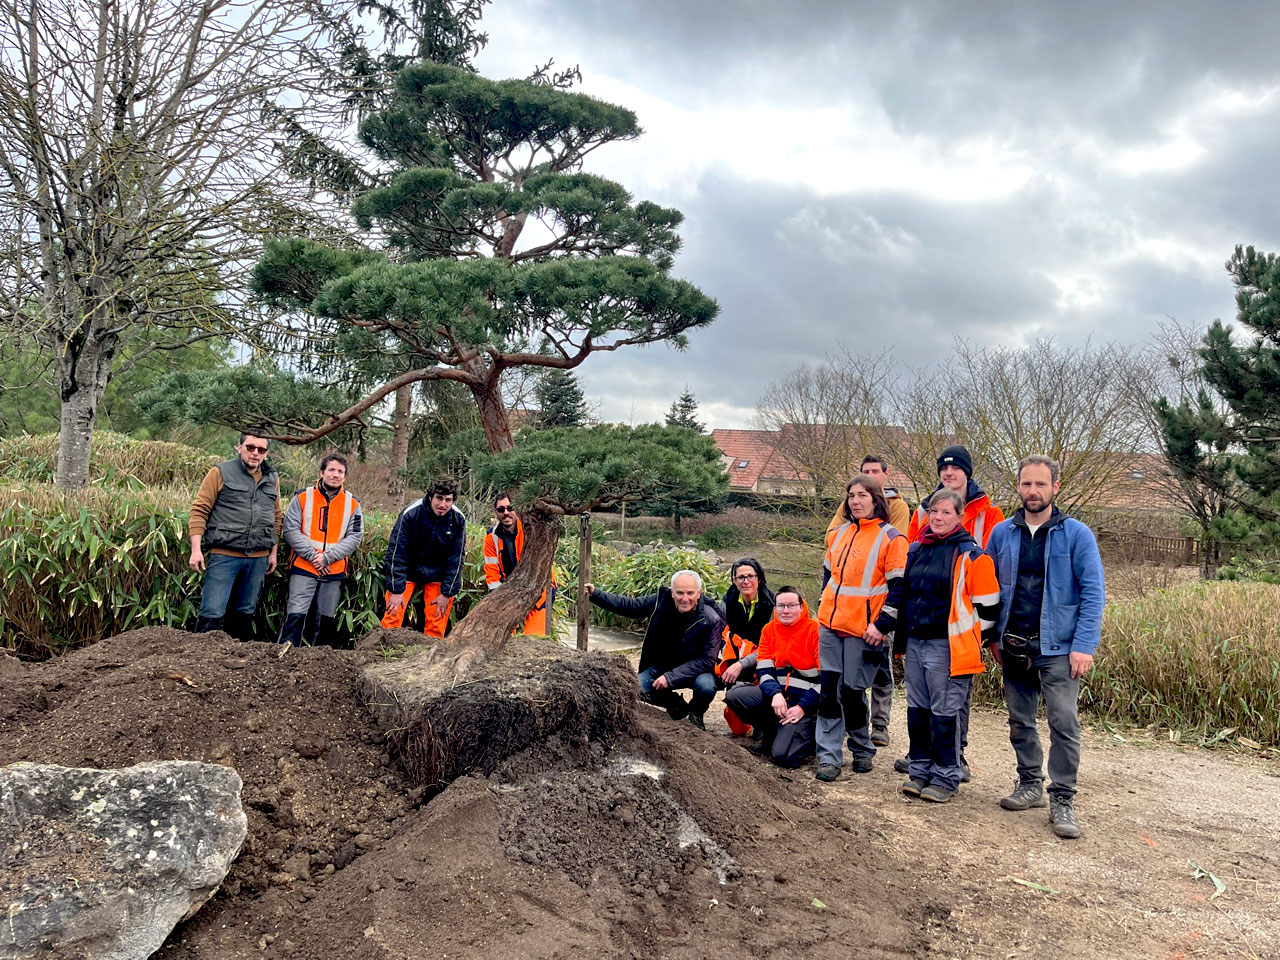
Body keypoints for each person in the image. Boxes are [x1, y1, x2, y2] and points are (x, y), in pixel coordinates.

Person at [986, 454, 1105, 839]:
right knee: (1020, 721)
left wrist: (1084, 645)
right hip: (1014, 644)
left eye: (1040, 484)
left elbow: (1093, 593)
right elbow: (987, 591)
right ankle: (1030, 784)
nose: (1032, 491)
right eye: (1026, 484)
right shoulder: (1002, 534)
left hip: (1059, 648)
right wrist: (992, 636)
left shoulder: (1077, 535)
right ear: (1018, 487)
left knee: (1063, 722)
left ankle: (1063, 798)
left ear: (1055, 487)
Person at [896, 444, 1005, 778]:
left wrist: (977, 634)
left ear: (967, 473)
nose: (949, 472)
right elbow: (913, 564)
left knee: (952, 700)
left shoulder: (990, 514)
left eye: (955, 468)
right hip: (924, 629)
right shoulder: (922, 514)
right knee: (926, 700)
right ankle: (925, 759)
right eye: (944, 468)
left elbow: (993, 572)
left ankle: (954, 758)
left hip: (961, 622)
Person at [813, 474, 908, 782]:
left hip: (864, 631)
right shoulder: (837, 534)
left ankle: (862, 748)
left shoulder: (892, 538)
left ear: (876, 499)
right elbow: (829, 578)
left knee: (853, 693)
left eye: (862, 495)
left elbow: (899, 589)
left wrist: (881, 625)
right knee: (829, 692)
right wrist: (825, 606)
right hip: (830, 625)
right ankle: (828, 756)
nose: (855, 500)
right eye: (851, 495)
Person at [586, 570, 725, 730]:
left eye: (690, 593)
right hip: (663, 665)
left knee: (706, 685)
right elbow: (630, 606)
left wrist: (670, 678)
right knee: (635, 689)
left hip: (696, 669)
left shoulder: (711, 618)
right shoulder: (661, 600)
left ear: (699, 594)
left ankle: (696, 714)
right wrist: (596, 594)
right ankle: (676, 705)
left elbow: (707, 661)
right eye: (679, 593)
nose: (684, 598)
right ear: (672, 592)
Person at [188, 431, 283, 640]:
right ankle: (198, 660)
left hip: (258, 558)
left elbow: (276, 518)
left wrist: (272, 553)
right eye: (250, 447)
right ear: (239, 448)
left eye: (261, 449)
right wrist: (196, 550)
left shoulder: (272, 478)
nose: (255, 453)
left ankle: (235, 664)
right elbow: (199, 510)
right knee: (212, 611)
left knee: (244, 612)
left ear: (266, 453)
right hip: (225, 555)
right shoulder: (220, 472)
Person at [724, 585, 820, 767]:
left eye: (791, 605)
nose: (785, 610)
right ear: (775, 608)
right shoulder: (769, 630)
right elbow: (764, 671)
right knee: (736, 695)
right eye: (781, 606)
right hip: (781, 698)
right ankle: (771, 734)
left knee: (784, 758)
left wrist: (802, 707)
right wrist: (776, 695)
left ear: (801, 606)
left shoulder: (815, 631)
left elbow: (827, 681)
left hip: (806, 705)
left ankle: (810, 736)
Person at [279, 453, 364, 648]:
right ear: (321, 472)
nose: (336, 475)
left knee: (327, 620)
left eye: (340, 471)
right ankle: (284, 658)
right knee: (295, 615)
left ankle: (321, 666)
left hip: (333, 570)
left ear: (345, 476)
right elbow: (290, 530)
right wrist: (313, 557)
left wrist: (327, 558)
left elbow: (355, 537)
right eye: (331, 470)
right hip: (303, 567)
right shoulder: (302, 497)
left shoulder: (353, 503)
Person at [381, 477, 467, 638]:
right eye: (439, 498)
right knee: (392, 614)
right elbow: (396, 552)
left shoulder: (458, 519)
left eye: (448, 500)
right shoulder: (411, 513)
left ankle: (429, 657)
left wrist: (446, 594)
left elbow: (457, 560)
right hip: (408, 570)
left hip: (438, 574)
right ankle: (380, 654)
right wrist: (396, 589)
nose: (443, 505)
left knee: (437, 620)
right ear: (431, 496)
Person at [483, 492, 555, 636]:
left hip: (540, 586)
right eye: (501, 509)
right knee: (505, 635)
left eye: (510, 508)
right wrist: (499, 600)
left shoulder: (530, 529)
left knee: (535, 635)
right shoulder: (491, 538)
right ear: (495, 513)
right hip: (510, 589)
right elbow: (492, 575)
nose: (506, 513)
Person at [717, 558, 775, 734]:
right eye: (741, 577)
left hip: (766, 663)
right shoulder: (726, 604)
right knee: (738, 729)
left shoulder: (773, 606)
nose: (746, 581)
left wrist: (742, 663)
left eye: (750, 576)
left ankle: (764, 724)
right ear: (734, 580)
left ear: (759, 579)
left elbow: (772, 648)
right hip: (735, 662)